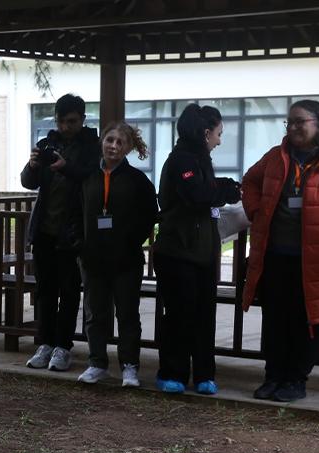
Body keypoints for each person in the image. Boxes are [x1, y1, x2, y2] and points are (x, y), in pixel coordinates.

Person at [241, 100, 319, 403]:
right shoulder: (276, 157)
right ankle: (274, 376)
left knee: (308, 321)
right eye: (290, 122)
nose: (294, 128)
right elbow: (250, 182)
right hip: (275, 256)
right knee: (275, 319)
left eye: (301, 122)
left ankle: (297, 378)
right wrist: (257, 211)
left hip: (317, 259)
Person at [153, 103, 242, 395]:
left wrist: (223, 187)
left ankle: (204, 374)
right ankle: (172, 373)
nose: (220, 140)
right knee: (179, 315)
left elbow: (206, 190)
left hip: (202, 252)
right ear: (206, 133)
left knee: (204, 315)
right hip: (177, 252)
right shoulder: (182, 160)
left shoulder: (200, 159)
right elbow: (198, 194)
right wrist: (225, 190)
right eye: (218, 134)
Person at [21, 94, 100, 372]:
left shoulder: (93, 146)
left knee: (68, 291)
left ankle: (62, 346)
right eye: (62, 121)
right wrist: (32, 165)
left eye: (72, 121)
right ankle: (44, 342)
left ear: (82, 120)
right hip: (44, 230)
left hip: (73, 231)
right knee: (44, 290)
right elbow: (28, 183)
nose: (66, 126)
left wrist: (66, 168)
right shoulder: (47, 144)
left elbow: (92, 178)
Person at [76, 122, 157, 388]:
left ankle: (130, 366)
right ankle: (97, 363)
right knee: (95, 314)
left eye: (120, 142)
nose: (113, 146)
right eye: (110, 140)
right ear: (102, 142)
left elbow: (149, 216)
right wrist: (81, 244)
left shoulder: (137, 181)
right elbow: (76, 213)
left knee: (127, 315)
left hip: (126, 260)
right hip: (93, 259)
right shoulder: (88, 177)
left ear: (128, 148)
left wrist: (131, 241)